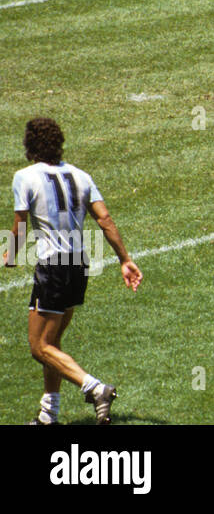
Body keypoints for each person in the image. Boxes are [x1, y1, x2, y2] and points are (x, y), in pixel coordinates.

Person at [4, 117, 141, 426]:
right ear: (59, 143)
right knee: (53, 344)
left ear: (29, 146)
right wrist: (124, 259)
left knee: (40, 347)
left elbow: (21, 224)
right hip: (79, 265)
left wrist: (10, 254)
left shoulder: (24, 177)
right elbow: (104, 220)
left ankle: (96, 388)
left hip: (53, 267)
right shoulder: (81, 176)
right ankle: (48, 416)